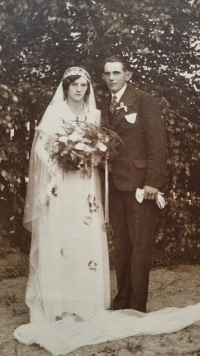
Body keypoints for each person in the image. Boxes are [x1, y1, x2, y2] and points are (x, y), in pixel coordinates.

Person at [20, 67, 110, 322]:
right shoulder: (56, 113)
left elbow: (99, 148)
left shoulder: (94, 115)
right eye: (75, 85)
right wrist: (59, 165)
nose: (79, 89)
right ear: (66, 87)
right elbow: (40, 148)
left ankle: (86, 302)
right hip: (62, 182)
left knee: (84, 234)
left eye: (84, 85)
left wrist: (90, 156)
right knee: (62, 235)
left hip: (85, 183)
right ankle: (59, 303)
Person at [100, 55, 168, 313]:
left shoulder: (144, 100)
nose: (111, 78)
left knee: (140, 248)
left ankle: (137, 307)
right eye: (107, 74)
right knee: (122, 247)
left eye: (116, 73)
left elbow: (158, 145)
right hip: (115, 187)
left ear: (128, 75)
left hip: (141, 187)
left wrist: (153, 182)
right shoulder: (106, 104)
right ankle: (122, 303)